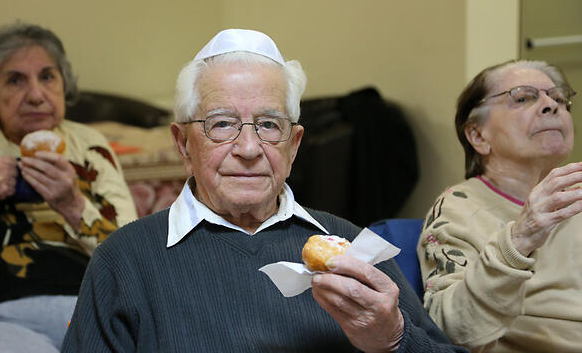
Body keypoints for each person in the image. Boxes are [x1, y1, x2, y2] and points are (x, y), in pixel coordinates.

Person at [62, 28, 465, 353]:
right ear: (184, 145)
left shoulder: (351, 249)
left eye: (270, 125)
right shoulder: (126, 259)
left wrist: (395, 340)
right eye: (221, 124)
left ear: (294, 145)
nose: (250, 149)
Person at [0, 23, 137, 352]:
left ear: (64, 85)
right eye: (15, 80)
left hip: (86, 306)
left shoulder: (89, 146)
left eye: (47, 77)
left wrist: (73, 204)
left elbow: (133, 254)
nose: (35, 95)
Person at [418, 60, 582, 352]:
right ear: (478, 136)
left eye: (558, 98)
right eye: (523, 98)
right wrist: (520, 239)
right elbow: (448, 330)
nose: (551, 106)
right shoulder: (458, 209)